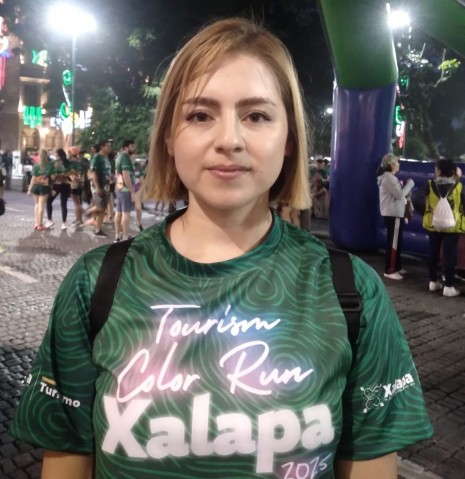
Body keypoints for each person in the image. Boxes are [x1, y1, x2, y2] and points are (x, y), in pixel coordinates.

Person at [10, 18, 433, 479]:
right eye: (200, 115)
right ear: (169, 136)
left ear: (289, 139)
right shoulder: (95, 283)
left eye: (257, 116)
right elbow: (67, 460)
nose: (229, 140)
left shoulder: (352, 290)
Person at [422, 158, 465, 297]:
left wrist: (429, 212)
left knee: (433, 253)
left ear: (439, 171)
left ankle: (433, 282)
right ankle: (449, 286)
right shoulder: (458, 186)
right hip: (453, 226)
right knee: (450, 255)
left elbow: (417, 200)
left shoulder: (429, 185)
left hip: (433, 224)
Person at [377, 153, 414, 280]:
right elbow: (399, 195)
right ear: (392, 165)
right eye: (397, 162)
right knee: (393, 242)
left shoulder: (390, 178)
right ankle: (390, 269)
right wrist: (410, 185)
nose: (398, 164)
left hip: (395, 214)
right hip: (393, 214)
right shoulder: (389, 178)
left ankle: (397, 266)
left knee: (397, 242)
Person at [27, 149, 55, 231]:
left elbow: (33, 178)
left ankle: (36, 223)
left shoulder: (36, 166)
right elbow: (53, 177)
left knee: (36, 204)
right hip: (44, 187)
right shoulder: (50, 165)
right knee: (41, 205)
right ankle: (40, 224)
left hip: (36, 187)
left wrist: (29, 189)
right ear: (47, 155)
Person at [114, 139, 136, 242]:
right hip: (125, 189)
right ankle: (125, 237)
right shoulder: (125, 158)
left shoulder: (119, 157)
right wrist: (132, 191)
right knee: (125, 212)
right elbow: (126, 176)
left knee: (118, 211)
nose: (134, 148)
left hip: (119, 187)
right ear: (126, 147)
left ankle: (118, 235)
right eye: (132, 146)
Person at [89, 139, 112, 237]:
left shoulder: (106, 158)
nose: (109, 148)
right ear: (102, 147)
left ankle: (98, 229)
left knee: (103, 208)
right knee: (100, 206)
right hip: (98, 185)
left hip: (106, 185)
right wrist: (97, 186)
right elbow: (93, 172)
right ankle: (87, 212)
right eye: (107, 146)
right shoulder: (97, 158)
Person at [45, 148, 71, 230]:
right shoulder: (68, 163)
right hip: (66, 184)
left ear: (57, 155)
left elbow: (51, 175)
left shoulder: (54, 163)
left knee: (49, 201)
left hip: (56, 185)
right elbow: (71, 173)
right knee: (64, 203)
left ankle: (50, 220)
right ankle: (64, 223)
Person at [68, 146, 85, 227]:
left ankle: (79, 220)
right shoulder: (79, 161)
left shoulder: (71, 162)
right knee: (78, 202)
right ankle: (78, 218)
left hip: (74, 183)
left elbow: (71, 171)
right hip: (80, 182)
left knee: (76, 203)